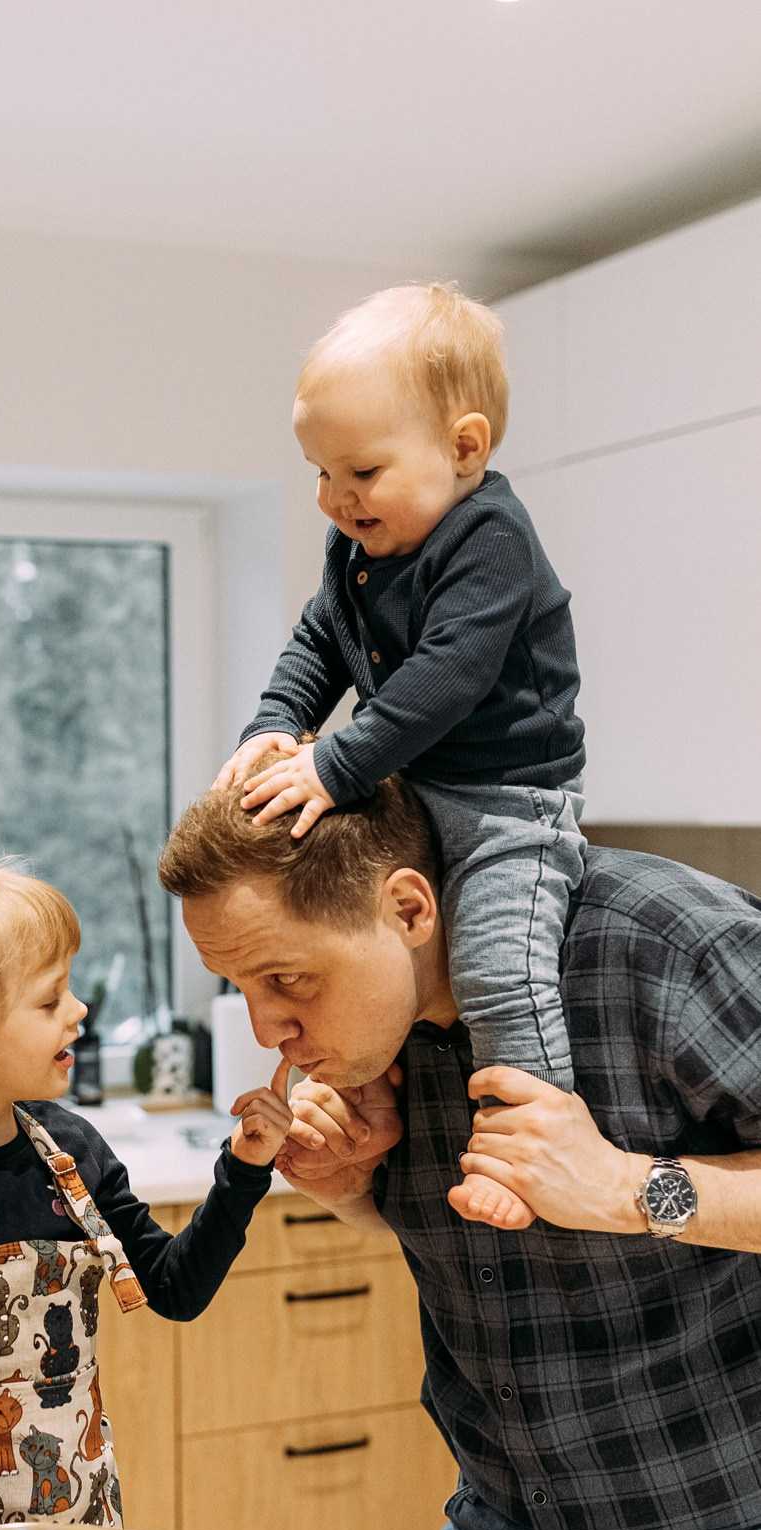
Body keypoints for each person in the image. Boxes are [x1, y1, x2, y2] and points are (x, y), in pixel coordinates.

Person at [159, 769, 761, 1530]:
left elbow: (602, 1201)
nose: (268, 1026)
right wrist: (353, 1187)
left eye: (287, 978)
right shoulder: (380, 1030)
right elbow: (500, 1259)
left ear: (408, 908)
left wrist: (628, 1186)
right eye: (238, 986)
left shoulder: (660, 942)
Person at [213, 282, 585, 1231]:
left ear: (464, 448)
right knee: (380, 965)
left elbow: (445, 677)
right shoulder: (359, 551)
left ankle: (524, 1143)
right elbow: (317, 643)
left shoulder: (489, 538)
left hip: (509, 805)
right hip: (419, 790)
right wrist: (275, 725)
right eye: (320, 473)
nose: (336, 500)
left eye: (361, 472)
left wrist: (333, 766)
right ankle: (376, 1113)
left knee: (499, 968)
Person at [0, 863, 292, 1526]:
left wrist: (243, 1169)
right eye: (48, 1000)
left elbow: (175, 1289)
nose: (79, 1012)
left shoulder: (71, 1149)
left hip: (85, 1515)